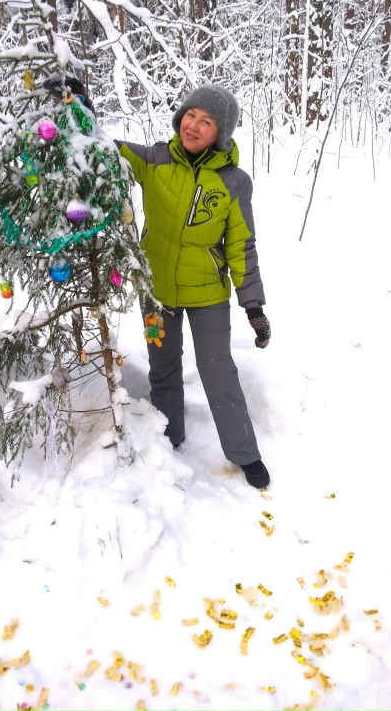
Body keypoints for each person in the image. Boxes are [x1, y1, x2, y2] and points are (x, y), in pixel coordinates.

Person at [116, 85, 271, 489]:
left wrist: (253, 305)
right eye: (191, 115)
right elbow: (103, 150)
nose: (194, 126)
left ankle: (244, 453)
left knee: (218, 371)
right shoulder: (155, 160)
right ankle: (168, 437)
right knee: (163, 367)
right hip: (156, 290)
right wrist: (77, 107)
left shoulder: (234, 182)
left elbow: (241, 244)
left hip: (207, 294)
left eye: (207, 121)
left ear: (221, 133)